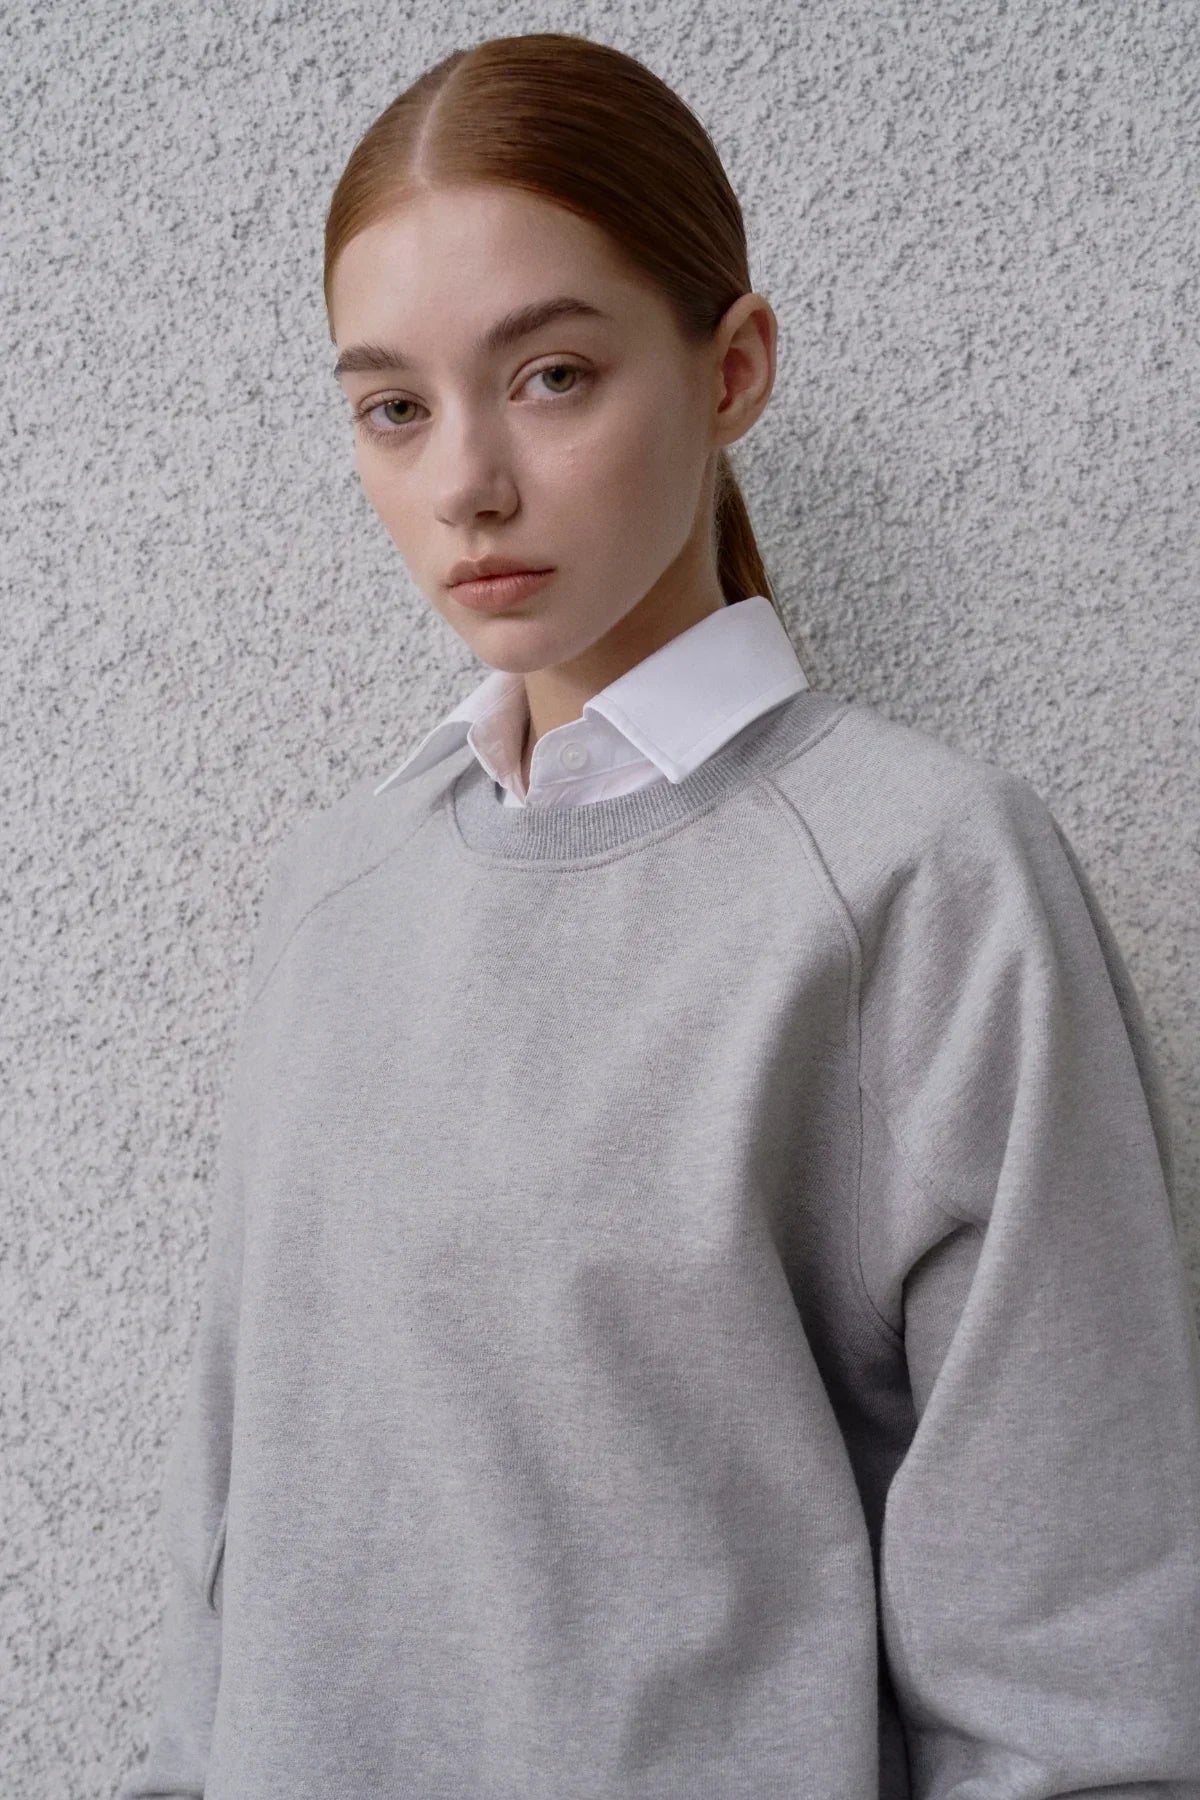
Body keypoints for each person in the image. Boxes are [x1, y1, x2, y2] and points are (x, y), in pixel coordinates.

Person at [117, 31, 1200, 1800]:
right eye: (394, 406)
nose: (466, 481)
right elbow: (234, 1559)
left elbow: (1070, 1686)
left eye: (548, 375)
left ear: (733, 367)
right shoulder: (335, 894)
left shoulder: (923, 883)